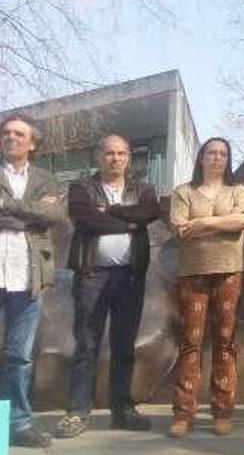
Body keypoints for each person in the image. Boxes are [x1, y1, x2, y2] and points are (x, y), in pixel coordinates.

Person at [57, 134, 160, 439]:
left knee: (124, 345)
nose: (115, 158)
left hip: (130, 277)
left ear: (128, 158)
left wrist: (112, 213)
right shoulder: (81, 188)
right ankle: (77, 412)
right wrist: (129, 223)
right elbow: (86, 220)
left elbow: (149, 213)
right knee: (86, 344)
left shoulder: (143, 189)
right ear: (98, 156)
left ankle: (122, 410)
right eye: (109, 153)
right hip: (92, 275)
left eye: (121, 153)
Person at [167, 137, 244, 437]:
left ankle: (222, 411)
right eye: (211, 153)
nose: (217, 158)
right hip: (192, 274)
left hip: (230, 272)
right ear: (201, 158)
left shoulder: (239, 190)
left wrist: (203, 224)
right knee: (190, 343)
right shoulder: (183, 192)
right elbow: (180, 228)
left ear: (228, 159)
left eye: (222, 153)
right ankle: (183, 413)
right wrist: (224, 221)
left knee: (225, 342)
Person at [0, 115, 63, 448]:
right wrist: (31, 214)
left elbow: (53, 216)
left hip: (27, 278)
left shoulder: (45, 179)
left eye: (18, 133)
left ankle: (19, 426)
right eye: (6, 132)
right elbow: (39, 215)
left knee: (19, 358)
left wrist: (7, 206)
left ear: (32, 143)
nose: (11, 137)